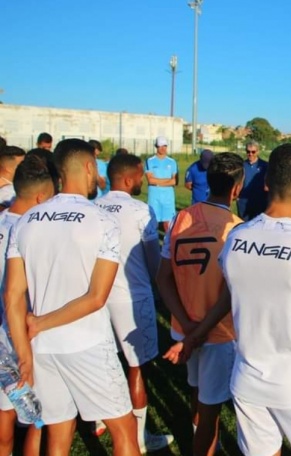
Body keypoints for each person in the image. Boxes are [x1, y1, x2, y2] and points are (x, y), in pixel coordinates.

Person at [167, 144, 291, 456]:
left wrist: (194, 334)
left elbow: (229, 296)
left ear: (265, 183)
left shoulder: (236, 237)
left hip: (248, 379)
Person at [4, 139, 139, 455]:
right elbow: (96, 297)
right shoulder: (102, 220)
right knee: (125, 430)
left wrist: (25, 354)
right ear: (90, 167)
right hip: (86, 342)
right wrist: (40, 322)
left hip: (41, 349)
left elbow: (12, 296)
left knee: (58, 434)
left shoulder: (25, 222)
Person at [158, 152, 243, 456]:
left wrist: (186, 325)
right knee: (211, 411)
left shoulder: (181, 218)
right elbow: (230, 295)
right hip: (215, 334)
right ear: (237, 188)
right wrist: (199, 332)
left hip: (185, 329)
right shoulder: (238, 229)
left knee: (197, 391)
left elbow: (163, 278)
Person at [95, 154, 173, 453]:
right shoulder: (141, 211)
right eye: (140, 176)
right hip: (132, 298)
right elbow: (155, 264)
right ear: (128, 179)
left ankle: (101, 420)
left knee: (106, 363)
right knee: (136, 367)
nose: (142, 180)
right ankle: (139, 439)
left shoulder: (93, 207)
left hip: (97, 298)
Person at [0, 155, 55, 456]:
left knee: (5, 409)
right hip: (20, 331)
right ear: (40, 197)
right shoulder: (30, 232)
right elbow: (18, 293)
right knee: (36, 413)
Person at [145, 136, 177, 232]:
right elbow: (150, 180)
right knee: (153, 222)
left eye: (165, 146)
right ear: (156, 146)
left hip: (168, 197)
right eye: (160, 146)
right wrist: (167, 181)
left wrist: (157, 182)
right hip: (154, 197)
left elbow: (174, 181)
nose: (163, 148)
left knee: (168, 224)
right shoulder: (149, 161)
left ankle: (167, 244)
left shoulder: (172, 162)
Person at [237, 140, 268, 221]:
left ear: (257, 151)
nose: (250, 154)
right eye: (248, 151)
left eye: (253, 152)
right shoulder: (241, 165)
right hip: (243, 202)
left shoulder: (265, 166)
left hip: (259, 202)